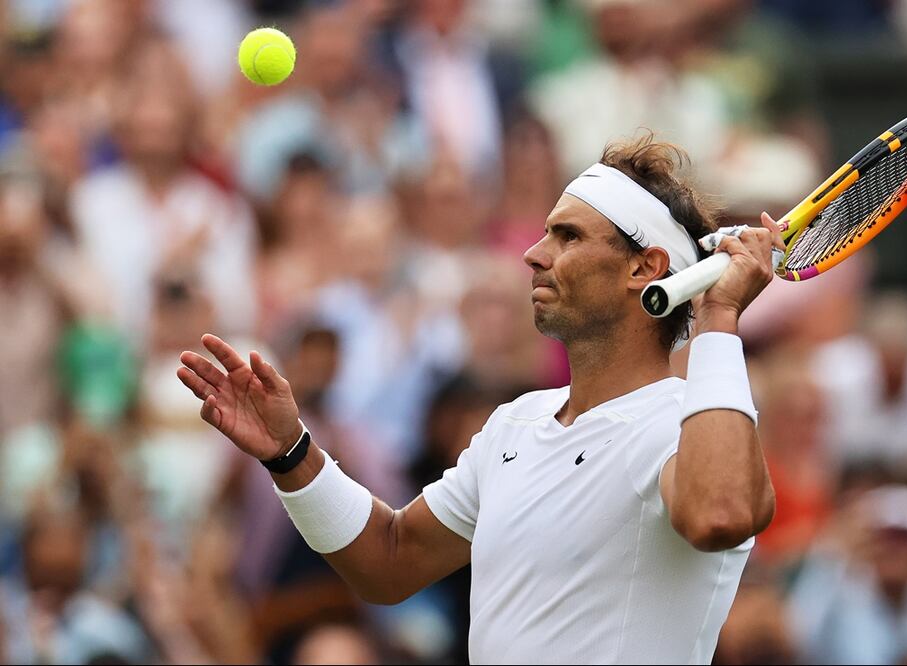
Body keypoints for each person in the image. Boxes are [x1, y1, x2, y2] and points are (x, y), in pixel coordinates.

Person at [177, 136, 779, 664]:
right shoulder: (514, 425)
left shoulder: (690, 424)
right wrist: (291, 452)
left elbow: (718, 514)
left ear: (644, 269)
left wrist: (719, 317)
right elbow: (389, 560)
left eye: (566, 235)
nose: (534, 253)